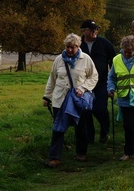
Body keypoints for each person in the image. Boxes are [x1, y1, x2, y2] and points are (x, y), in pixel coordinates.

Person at [43, 33, 99, 168]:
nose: (69, 50)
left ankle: (81, 153)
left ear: (78, 46)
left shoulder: (85, 59)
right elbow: (52, 79)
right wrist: (47, 96)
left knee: (81, 128)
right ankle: (55, 157)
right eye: (67, 47)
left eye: (72, 47)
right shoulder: (58, 60)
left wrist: (83, 88)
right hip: (60, 100)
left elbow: (94, 77)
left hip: (78, 100)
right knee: (58, 129)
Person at [80, 19, 116, 145]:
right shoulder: (78, 45)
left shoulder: (104, 43)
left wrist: (113, 80)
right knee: (86, 111)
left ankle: (104, 130)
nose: (95, 31)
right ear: (84, 31)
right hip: (83, 84)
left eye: (96, 29)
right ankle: (90, 136)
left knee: (99, 109)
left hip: (102, 83)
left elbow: (114, 61)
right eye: (91, 29)